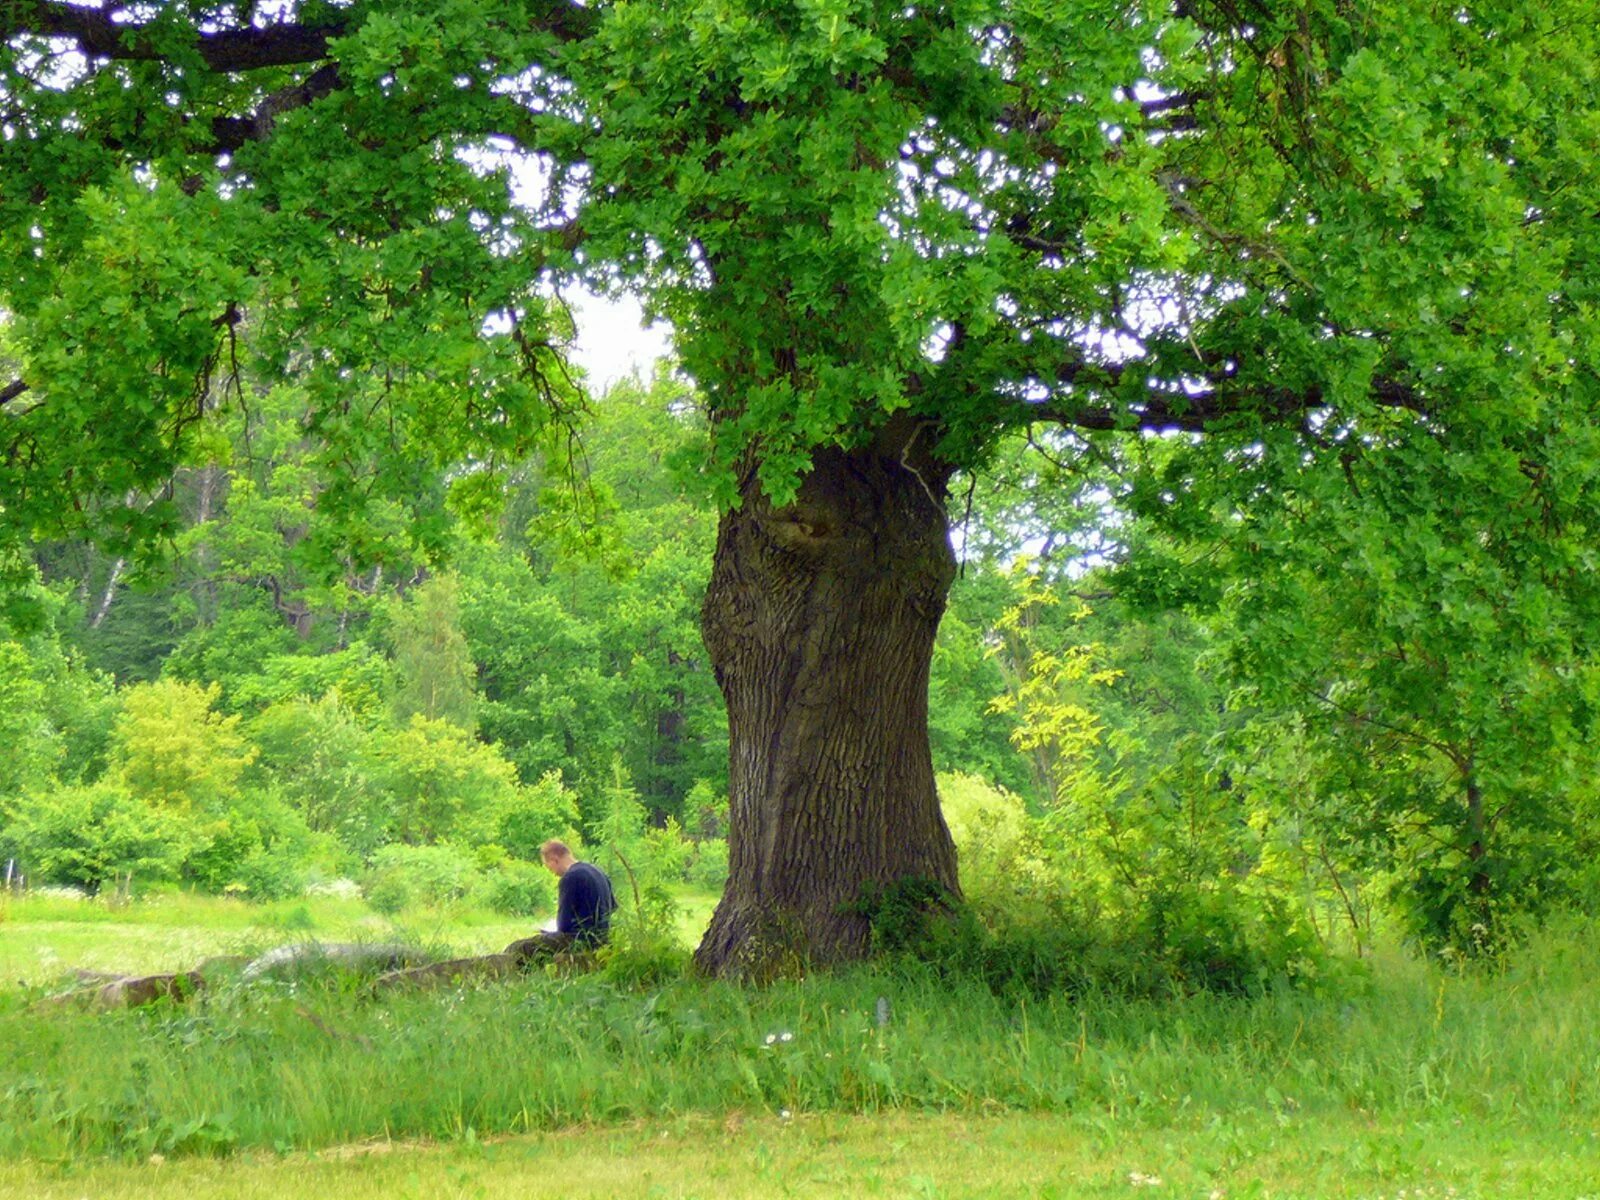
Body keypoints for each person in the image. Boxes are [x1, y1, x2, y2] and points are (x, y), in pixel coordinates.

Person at [503, 840, 616, 966]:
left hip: (580, 940)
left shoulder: (570, 878)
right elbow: (613, 907)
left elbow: (563, 924)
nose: (552, 872)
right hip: (602, 938)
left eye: (548, 866)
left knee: (519, 948)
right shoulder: (599, 872)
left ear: (554, 859)